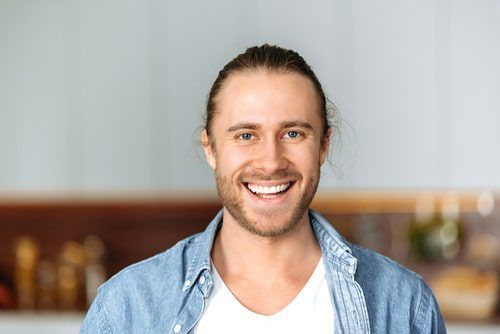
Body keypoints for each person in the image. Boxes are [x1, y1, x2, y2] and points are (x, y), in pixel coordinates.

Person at [80, 45, 446, 333]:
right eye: (246, 135)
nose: (271, 162)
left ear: (323, 146)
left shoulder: (405, 305)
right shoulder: (127, 307)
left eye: (293, 133)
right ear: (210, 149)